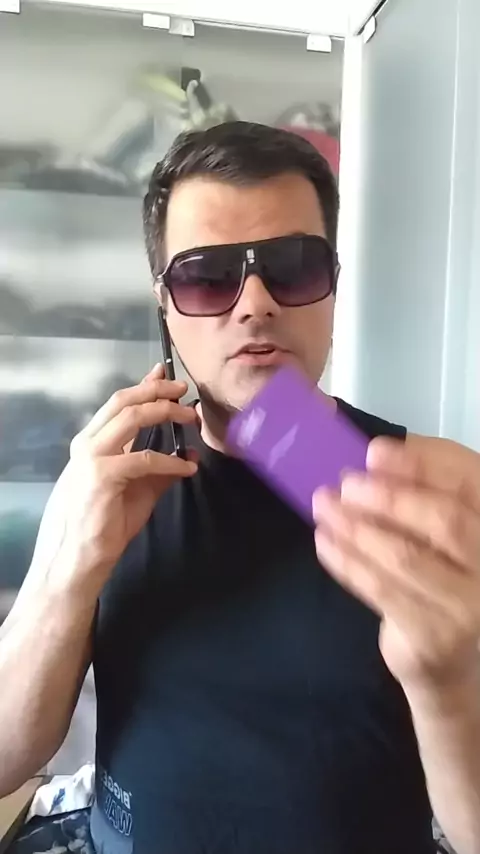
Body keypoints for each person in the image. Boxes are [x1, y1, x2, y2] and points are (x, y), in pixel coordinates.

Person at [1, 122, 480, 854]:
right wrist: (67, 577)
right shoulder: (106, 481)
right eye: (208, 277)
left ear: (333, 287)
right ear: (165, 305)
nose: (255, 304)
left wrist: (448, 686)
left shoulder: (442, 490)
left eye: (292, 267)